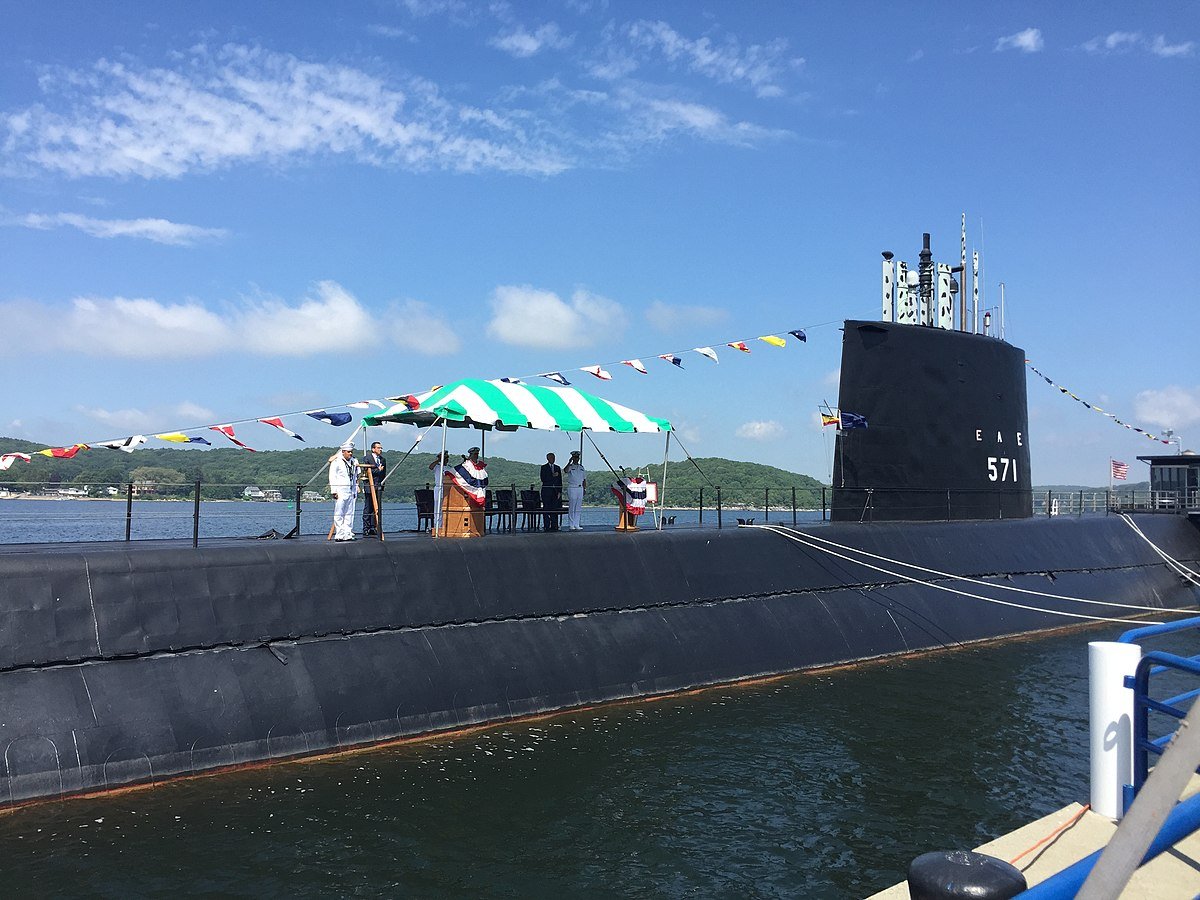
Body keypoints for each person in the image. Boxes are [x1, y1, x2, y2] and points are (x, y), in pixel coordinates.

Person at [328, 442, 359, 541]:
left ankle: (348, 533)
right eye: (348, 452)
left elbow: (356, 475)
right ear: (343, 452)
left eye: (351, 452)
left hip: (351, 490)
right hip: (341, 490)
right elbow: (332, 477)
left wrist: (357, 487)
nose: (350, 453)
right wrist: (334, 491)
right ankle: (340, 534)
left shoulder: (354, 461)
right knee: (339, 512)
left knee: (350, 513)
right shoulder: (337, 461)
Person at [361, 440, 386, 536]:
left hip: (378, 486)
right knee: (368, 507)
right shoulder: (367, 458)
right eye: (378, 448)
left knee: (376, 508)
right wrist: (377, 470)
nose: (380, 449)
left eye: (381, 448)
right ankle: (366, 528)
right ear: (373, 449)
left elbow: (383, 474)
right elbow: (367, 472)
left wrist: (382, 485)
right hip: (369, 486)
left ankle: (373, 527)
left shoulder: (382, 460)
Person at [563, 450, 586, 531]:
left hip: (580, 488)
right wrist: (569, 462)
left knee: (578, 507)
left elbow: (584, 479)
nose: (576, 459)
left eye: (577, 457)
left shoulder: (581, 467)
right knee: (572, 506)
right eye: (575, 457)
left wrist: (584, 488)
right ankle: (571, 524)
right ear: (572, 458)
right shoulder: (570, 467)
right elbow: (565, 470)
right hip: (572, 487)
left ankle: (577, 524)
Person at [540, 451, 562, 531]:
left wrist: (559, 491)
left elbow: (560, 480)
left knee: (554, 509)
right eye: (551, 458)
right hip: (546, 491)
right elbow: (543, 479)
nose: (553, 459)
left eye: (554, 458)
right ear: (548, 458)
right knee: (546, 508)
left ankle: (554, 525)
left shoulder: (557, 468)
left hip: (555, 491)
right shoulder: (544, 467)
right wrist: (552, 475)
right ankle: (546, 525)